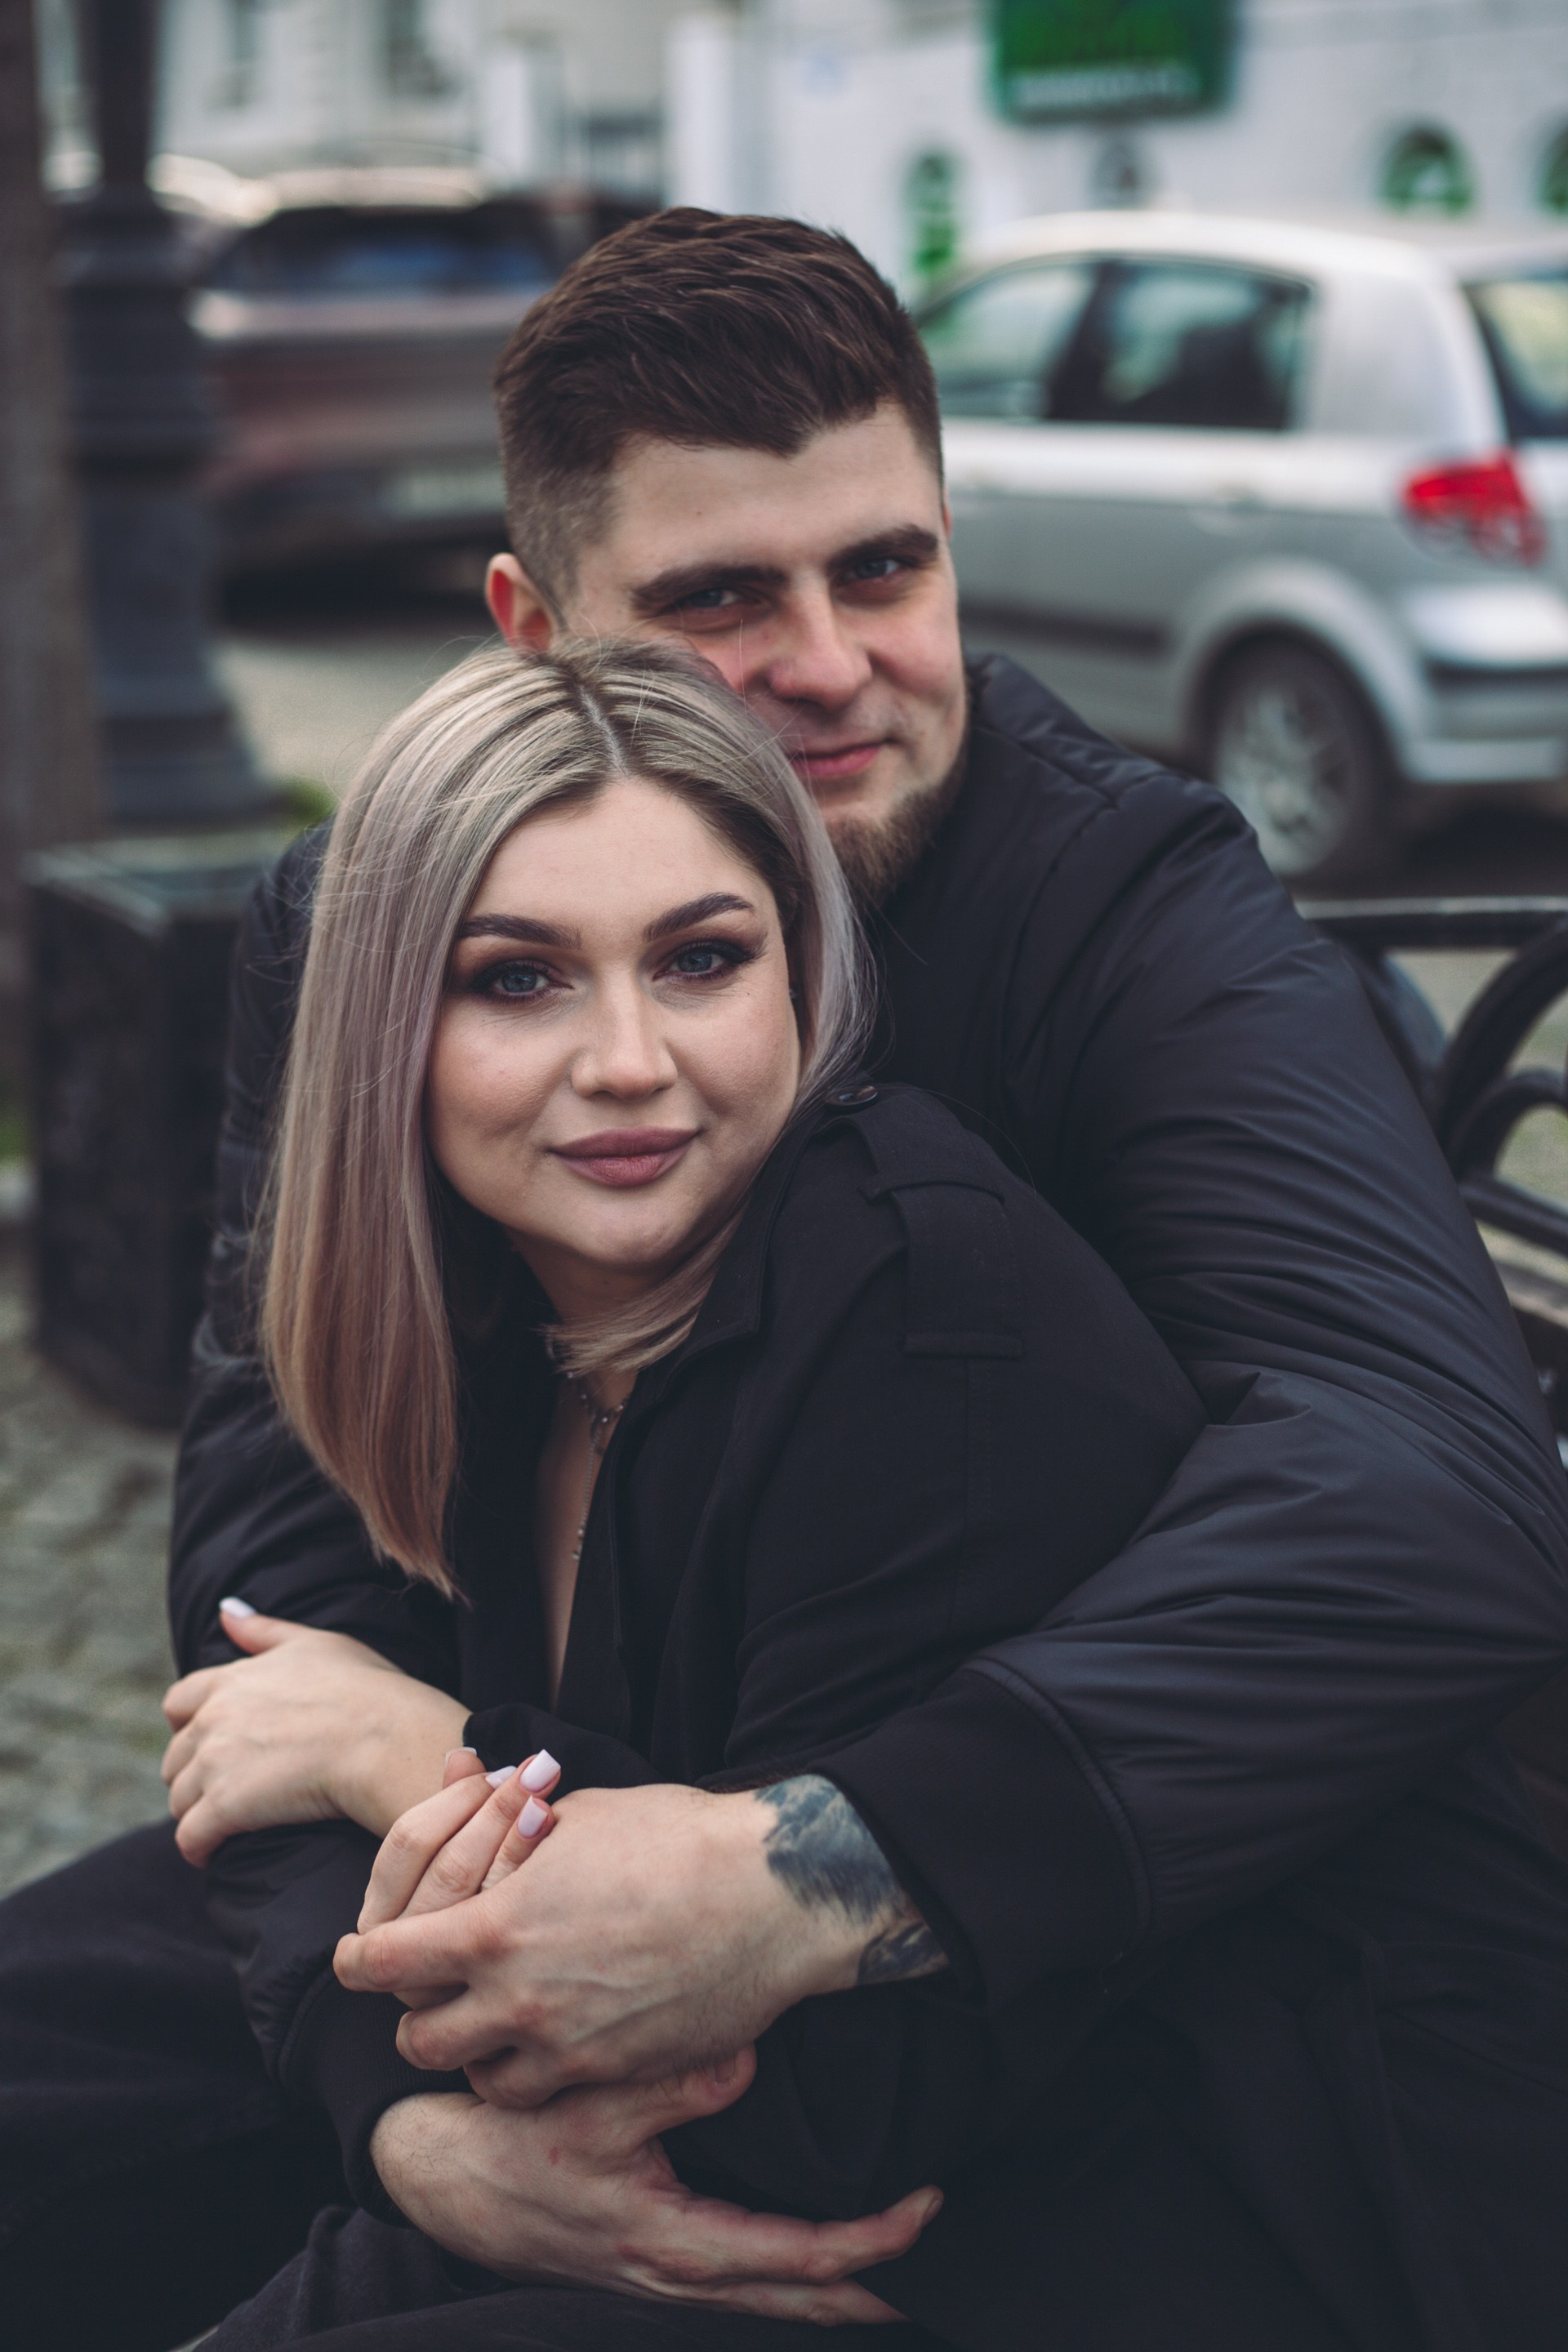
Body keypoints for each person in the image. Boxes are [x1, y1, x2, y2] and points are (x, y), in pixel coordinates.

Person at [2, 208, 1567, 2350]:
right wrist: (386, 2097)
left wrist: (810, 1871)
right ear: (535, 630)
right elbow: (285, 1569)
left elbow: (1431, 1493)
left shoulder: (1127, 916)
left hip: (1152, 1982)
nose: (830, 663)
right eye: (722, 598)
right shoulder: (374, 918)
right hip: (560, 1797)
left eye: (885, 569)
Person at [187, 631, 1231, 2345]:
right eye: (518, 979)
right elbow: (250, 1757)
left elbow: (824, 2115)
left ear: (799, 974)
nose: (628, 1059)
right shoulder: (505, 1304)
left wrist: (405, 1751)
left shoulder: (921, 1313)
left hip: (1069, 2236)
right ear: (386, 1028)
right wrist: (411, 2138)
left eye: (700, 960)